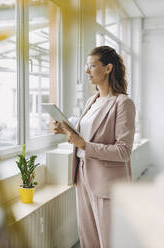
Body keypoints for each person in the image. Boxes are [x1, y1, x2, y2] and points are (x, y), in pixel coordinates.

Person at [53, 46, 135, 248]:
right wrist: (68, 132)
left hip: (106, 182)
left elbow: (123, 151)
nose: (87, 71)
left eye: (91, 66)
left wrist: (85, 145)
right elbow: (87, 137)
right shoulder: (92, 100)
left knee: (108, 240)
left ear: (108, 68)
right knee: (88, 238)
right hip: (82, 176)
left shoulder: (123, 103)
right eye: (86, 67)